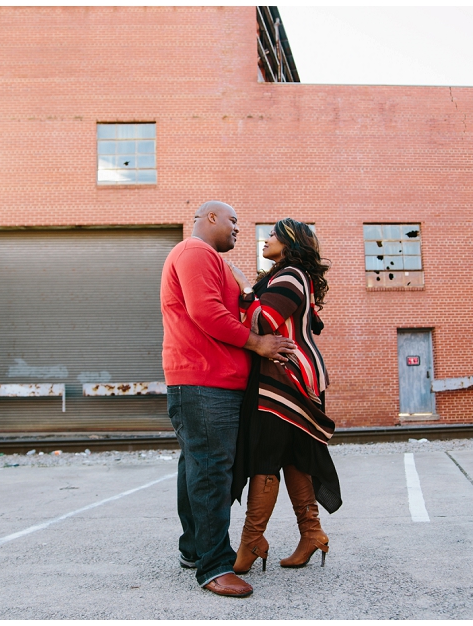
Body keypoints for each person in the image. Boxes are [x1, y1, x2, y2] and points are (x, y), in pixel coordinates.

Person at [160, 200, 297, 598]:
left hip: (210, 381)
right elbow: (206, 313)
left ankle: (195, 551)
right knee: (210, 472)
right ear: (210, 218)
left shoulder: (212, 261)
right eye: (234, 221)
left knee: (198, 468)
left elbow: (239, 305)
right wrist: (258, 343)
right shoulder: (194, 252)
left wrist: (242, 284)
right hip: (203, 381)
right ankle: (214, 566)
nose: (239, 229)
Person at [226, 217, 342, 575]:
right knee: (294, 456)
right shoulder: (289, 276)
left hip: (286, 377)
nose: (266, 239)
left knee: (265, 456)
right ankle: (312, 534)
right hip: (293, 376)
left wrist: (244, 285)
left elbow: (263, 323)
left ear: (290, 242)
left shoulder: (290, 275)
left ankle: (251, 541)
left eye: (273, 235)